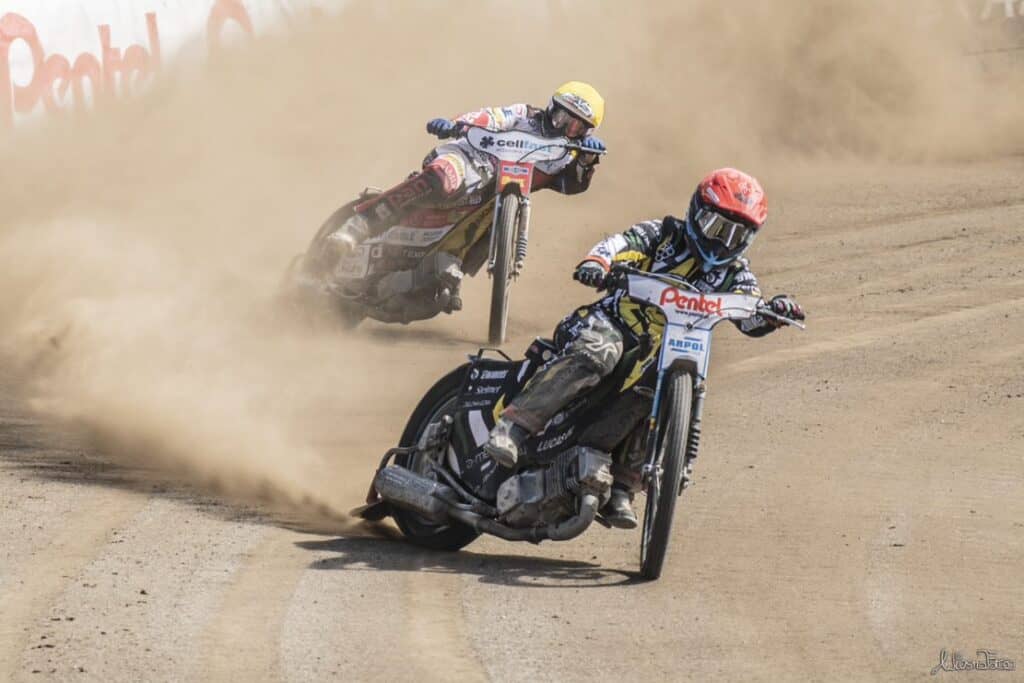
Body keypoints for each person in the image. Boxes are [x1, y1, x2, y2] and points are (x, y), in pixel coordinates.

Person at [483, 168, 805, 529]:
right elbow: (620, 243)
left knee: (656, 390)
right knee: (600, 352)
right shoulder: (665, 235)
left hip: (662, 351)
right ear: (697, 212)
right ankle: (513, 426)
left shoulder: (736, 274)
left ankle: (623, 484)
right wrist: (597, 263)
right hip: (610, 322)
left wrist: (775, 311)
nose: (723, 242)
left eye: (736, 235)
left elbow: (750, 316)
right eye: (716, 227)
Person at [324, 82, 607, 315]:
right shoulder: (524, 115)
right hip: (467, 159)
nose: (565, 128)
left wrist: (587, 160)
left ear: (587, 132)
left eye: (576, 127)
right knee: (444, 179)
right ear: (551, 107)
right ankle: (358, 226)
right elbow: (490, 117)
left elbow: (572, 186)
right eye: (562, 117)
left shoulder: (567, 155)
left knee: (439, 286)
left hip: (490, 202)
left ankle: (437, 273)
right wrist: (454, 124)